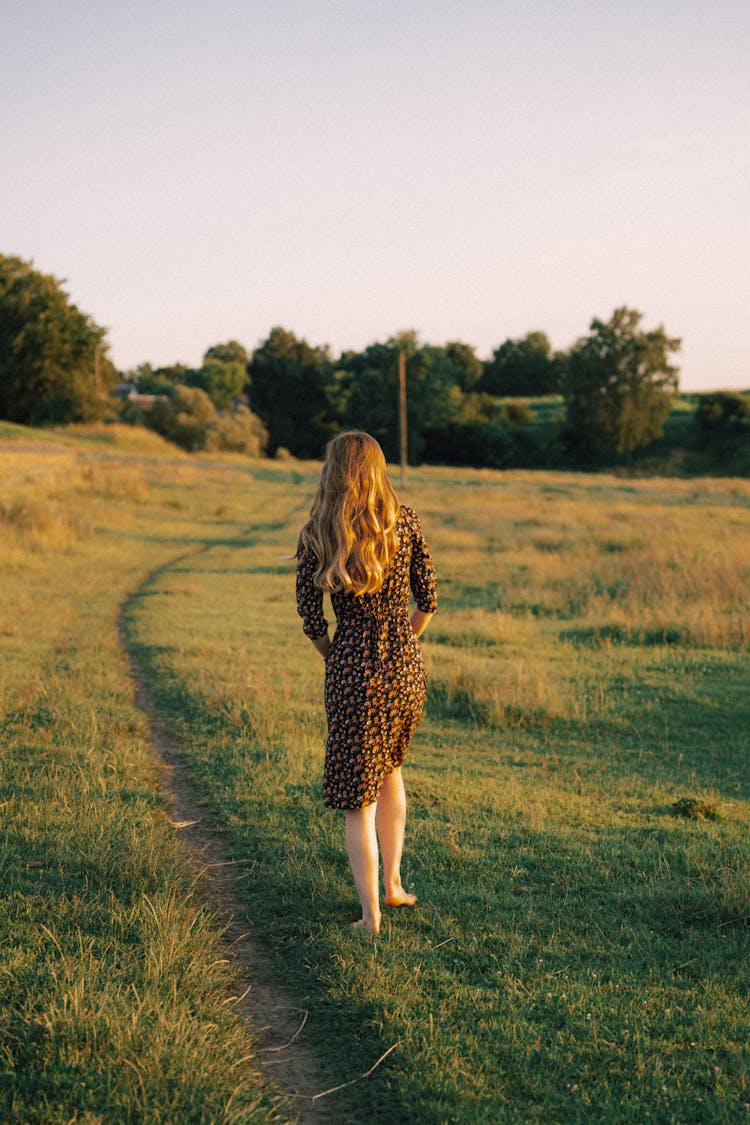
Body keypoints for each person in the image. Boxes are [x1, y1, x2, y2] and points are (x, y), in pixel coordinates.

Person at [295, 431, 438, 934]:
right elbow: (429, 600)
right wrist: (405, 641)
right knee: (391, 769)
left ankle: (370, 916)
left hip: (353, 667)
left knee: (359, 799)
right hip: (405, 665)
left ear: (332, 471)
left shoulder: (318, 531)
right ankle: (393, 885)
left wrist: (338, 656)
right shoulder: (406, 521)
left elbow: (311, 620)